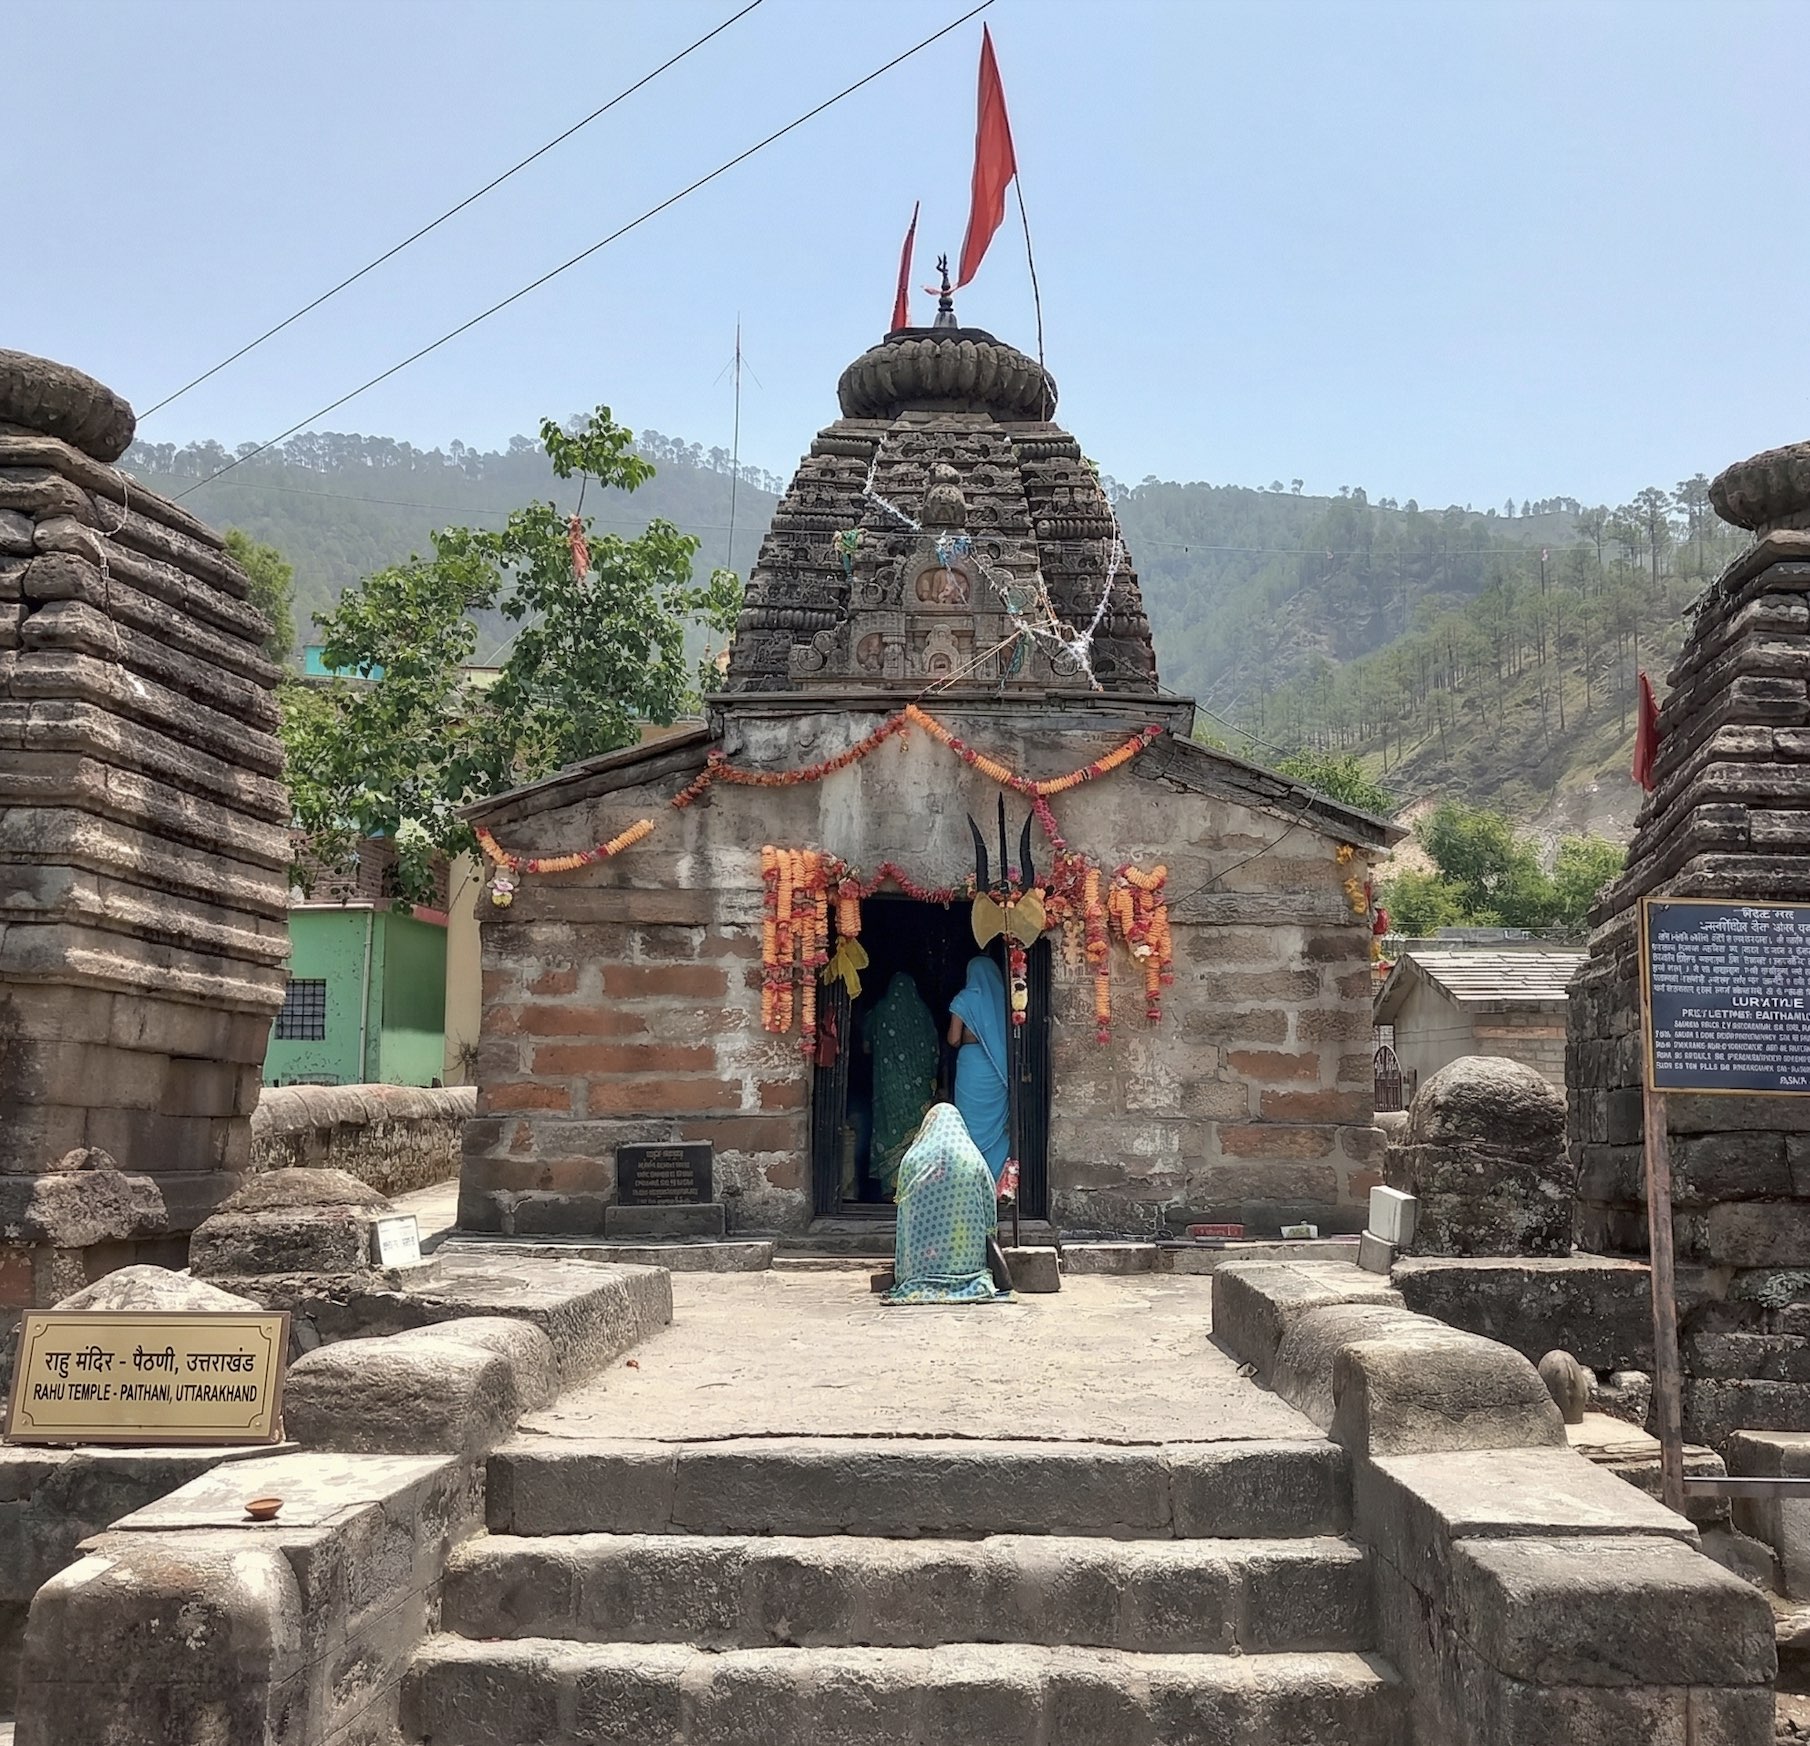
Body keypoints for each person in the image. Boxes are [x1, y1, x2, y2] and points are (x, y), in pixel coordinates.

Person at [882, 1103, 1012, 1305]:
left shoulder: (912, 1159)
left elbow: (903, 1212)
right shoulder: (972, 1158)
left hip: (919, 1265)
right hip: (967, 1260)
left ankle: (918, 1275)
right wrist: (989, 1233)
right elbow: (988, 1203)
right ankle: (964, 1273)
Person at [861, 971, 938, 1197]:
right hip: (918, 1087)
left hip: (888, 1087)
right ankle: (915, 1185)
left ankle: (890, 1187)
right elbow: (935, 1049)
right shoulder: (922, 1012)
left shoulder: (880, 1011)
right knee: (916, 1134)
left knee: (890, 1131)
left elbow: (865, 1047)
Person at [948, 954, 1010, 1185]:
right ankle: (996, 1184)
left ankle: (970, 1183)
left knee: (968, 1124)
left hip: (971, 1067)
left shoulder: (964, 999)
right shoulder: (1004, 1001)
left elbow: (953, 1039)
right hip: (996, 1069)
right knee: (996, 1125)